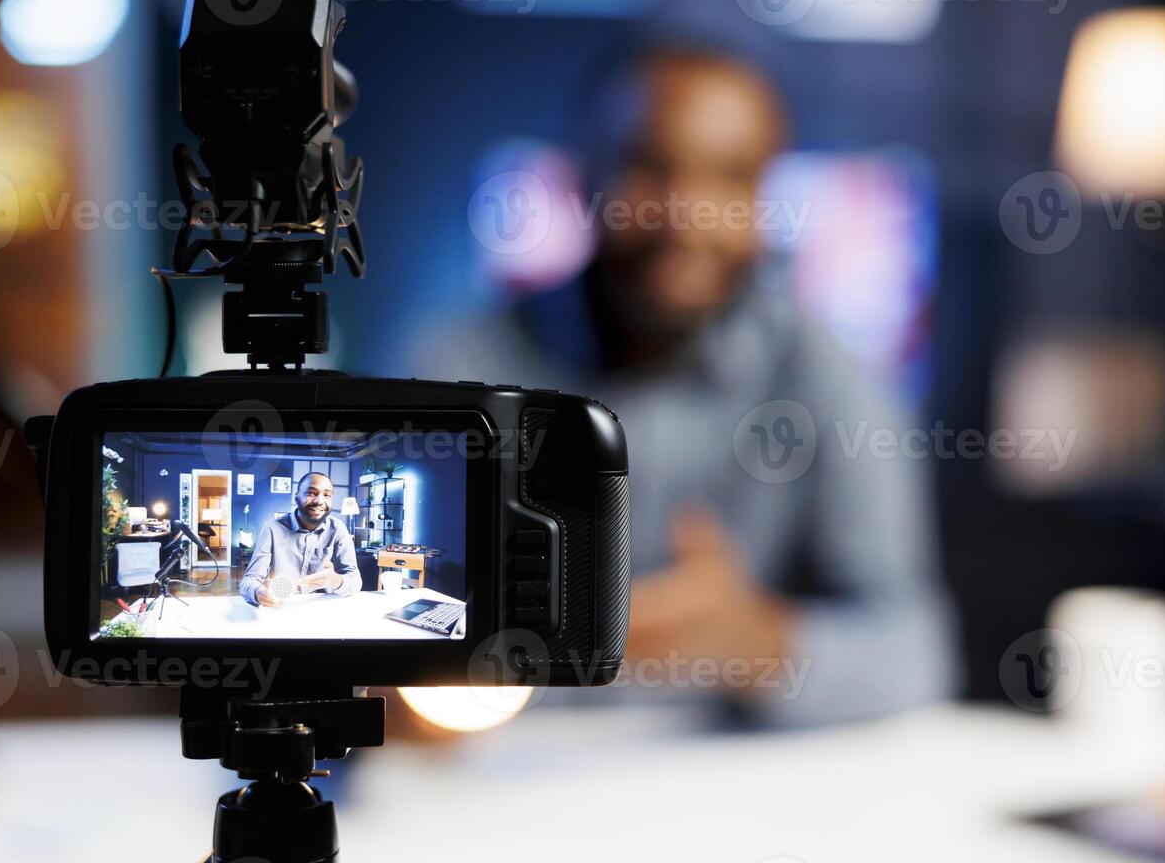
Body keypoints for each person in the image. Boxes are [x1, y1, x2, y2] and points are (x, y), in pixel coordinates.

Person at [407, 43, 960, 726]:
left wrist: (751, 640)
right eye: (648, 166)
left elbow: (915, 654)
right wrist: (414, 692)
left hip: (729, 797)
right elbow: (389, 633)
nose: (687, 216)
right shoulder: (458, 366)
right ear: (583, 178)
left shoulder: (830, 374)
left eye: (731, 178)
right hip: (503, 786)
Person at [240, 472, 362, 607]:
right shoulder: (272, 528)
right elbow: (249, 581)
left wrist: (336, 580)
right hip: (282, 606)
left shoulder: (338, 528)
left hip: (324, 606)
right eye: (311, 493)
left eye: (327, 495)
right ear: (296, 497)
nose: (319, 501)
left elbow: (355, 581)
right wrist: (258, 592)